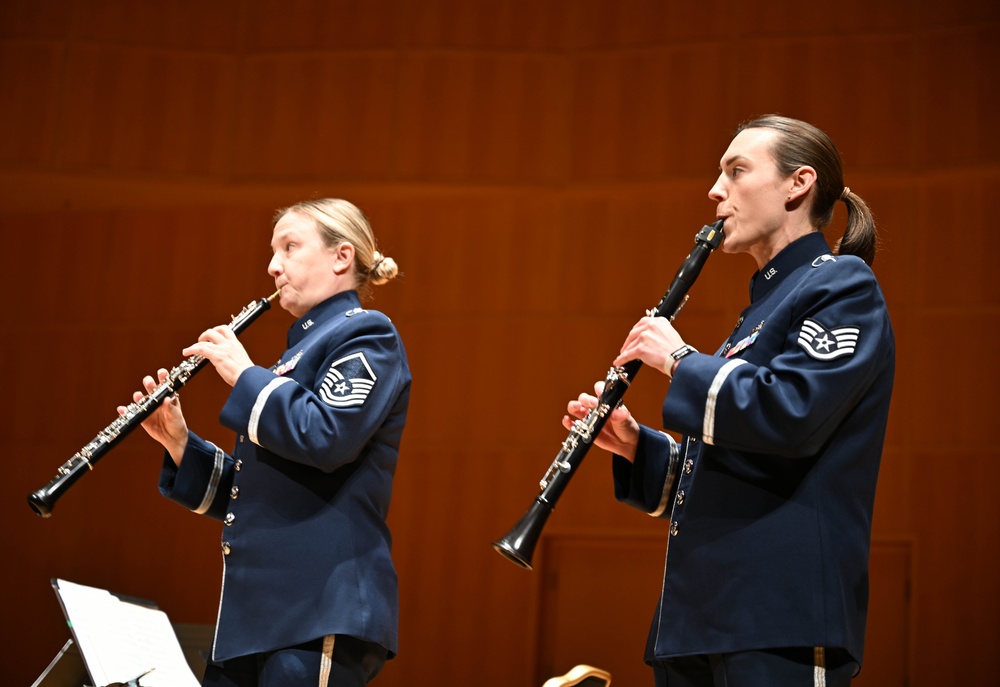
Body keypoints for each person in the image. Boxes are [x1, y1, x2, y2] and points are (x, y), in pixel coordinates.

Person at [564, 115, 894, 687]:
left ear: (799, 184)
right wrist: (638, 447)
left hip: (778, 615)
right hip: (700, 619)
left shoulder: (842, 285)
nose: (716, 190)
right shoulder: (755, 316)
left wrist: (680, 361)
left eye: (736, 171)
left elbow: (792, 414)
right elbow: (732, 467)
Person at [122, 198, 411, 686]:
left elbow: (326, 438)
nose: (273, 265)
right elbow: (258, 493)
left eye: (290, 247)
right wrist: (180, 445)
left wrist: (243, 373)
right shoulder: (291, 358)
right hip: (252, 617)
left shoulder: (366, 334)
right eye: (273, 251)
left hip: (318, 605)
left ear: (342, 257)